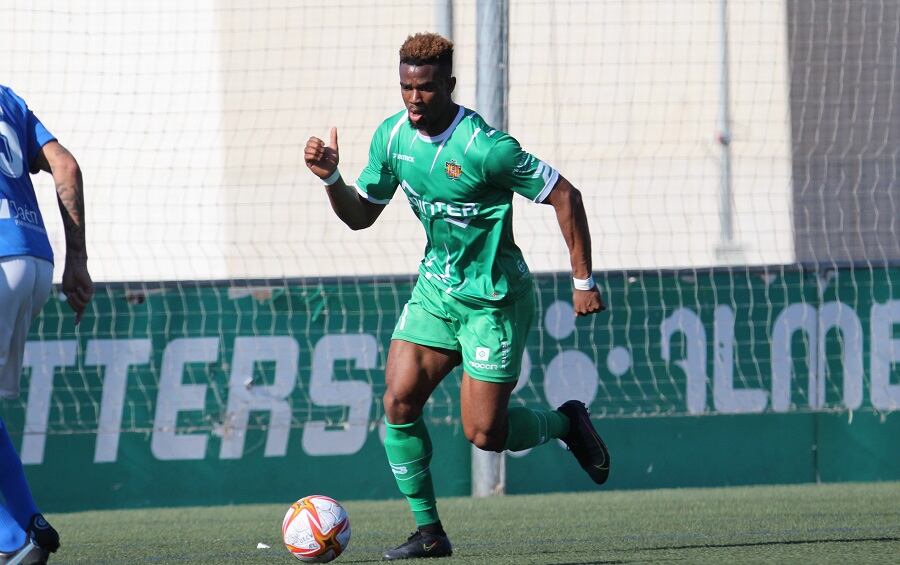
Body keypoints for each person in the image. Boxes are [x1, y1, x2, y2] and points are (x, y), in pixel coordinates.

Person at [305, 33, 610, 560]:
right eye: (405, 88)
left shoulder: (486, 149)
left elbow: (566, 194)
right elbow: (360, 216)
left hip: (494, 302)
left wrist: (582, 281)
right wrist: (331, 176)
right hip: (436, 293)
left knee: (485, 434)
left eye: (424, 88)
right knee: (398, 401)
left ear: (448, 83)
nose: (413, 99)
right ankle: (430, 533)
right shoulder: (393, 138)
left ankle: (567, 422)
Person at [0, 84, 92, 563]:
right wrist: (76, 257)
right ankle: (25, 524)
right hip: (34, 258)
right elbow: (66, 165)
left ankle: (12, 538)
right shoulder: (6, 98)